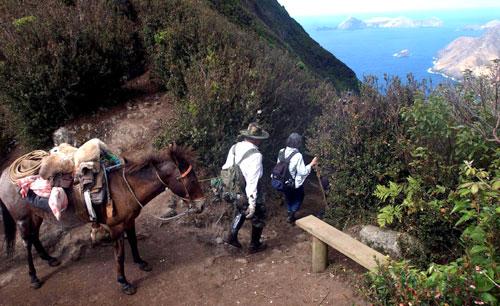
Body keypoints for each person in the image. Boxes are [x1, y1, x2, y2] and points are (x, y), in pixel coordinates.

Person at [223, 122, 269, 253]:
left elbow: (226, 167)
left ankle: (231, 236)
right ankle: (255, 245)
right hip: (247, 189)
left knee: (240, 208)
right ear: (256, 139)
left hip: (233, 187)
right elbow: (252, 181)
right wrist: (252, 203)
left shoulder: (235, 147)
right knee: (259, 214)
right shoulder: (256, 155)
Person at [278, 133, 318, 223]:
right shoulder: (298, 155)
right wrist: (312, 163)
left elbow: (278, 165)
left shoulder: (281, 151)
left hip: (282, 181)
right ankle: (291, 214)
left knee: (288, 197)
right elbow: (302, 172)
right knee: (299, 196)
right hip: (292, 182)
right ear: (298, 143)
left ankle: (289, 212)